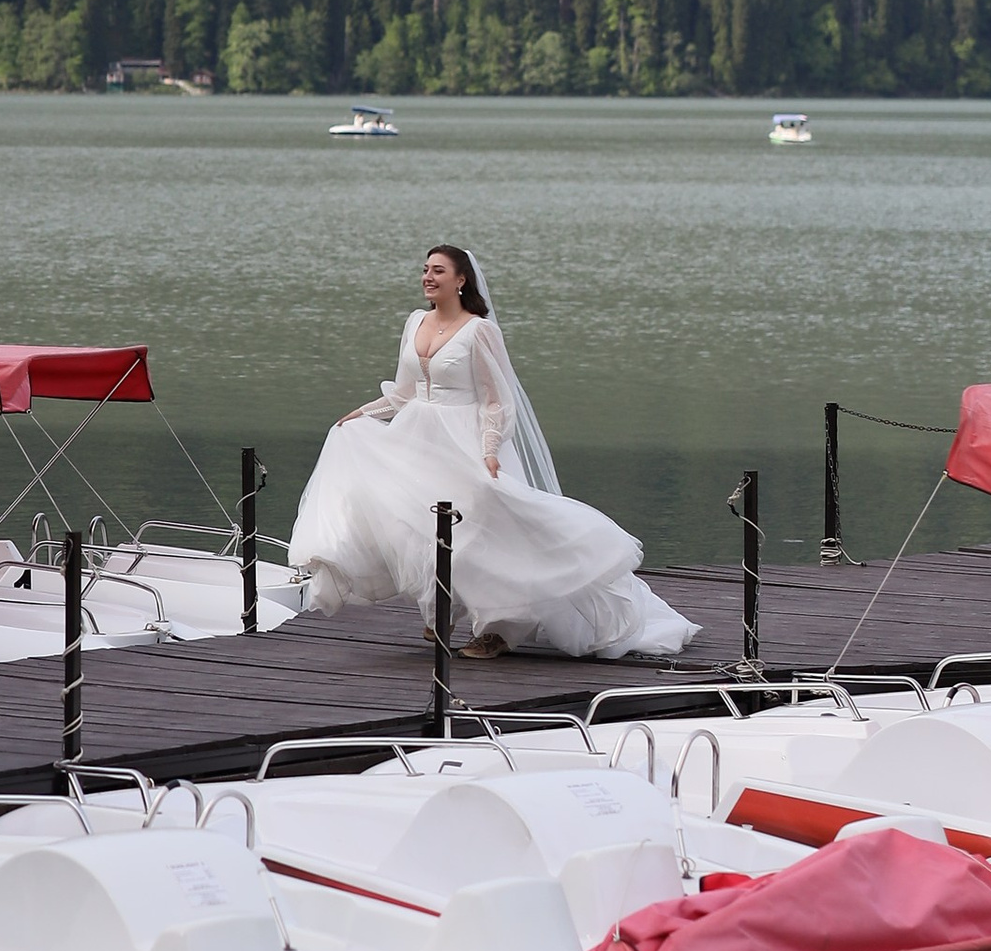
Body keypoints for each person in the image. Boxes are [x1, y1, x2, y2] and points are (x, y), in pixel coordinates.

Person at [288, 244, 696, 661]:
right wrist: (359, 415)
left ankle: (500, 628)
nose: (428, 277)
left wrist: (488, 450)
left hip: (466, 439)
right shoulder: (415, 323)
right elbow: (406, 393)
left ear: (461, 280)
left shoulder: (479, 331)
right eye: (425, 270)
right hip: (420, 440)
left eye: (439, 271)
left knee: (488, 528)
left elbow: (497, 399)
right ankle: (441, 606)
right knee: (415, 522)